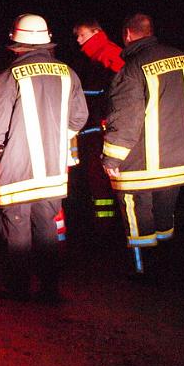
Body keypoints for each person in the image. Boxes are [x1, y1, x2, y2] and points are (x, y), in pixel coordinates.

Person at [0, 14, 88, 303]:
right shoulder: (69, 73)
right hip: (53, 170)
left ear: (16, 44)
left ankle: (18, 288)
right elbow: (78, 118)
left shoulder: (8, 76)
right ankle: (50, 289)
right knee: (47, 225)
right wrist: (53, 138)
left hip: (16, 169)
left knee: (16, 227)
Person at [101, 13, 184, 282]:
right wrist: (180, 136)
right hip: (177, 162)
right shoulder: (182, 58)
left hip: (139, 168)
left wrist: (111, 158)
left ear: (127, 35)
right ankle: (168, 268)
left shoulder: (133, 67)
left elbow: (125, 118)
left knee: (139, 221)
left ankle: (144, 273)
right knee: (165, 218)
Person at [72, 18, 125, 229]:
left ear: (96, 32)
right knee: (98, 179)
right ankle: (106, 222)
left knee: (101, 177)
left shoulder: (107, 54)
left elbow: (114, 93)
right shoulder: (93, 56)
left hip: (100, 128)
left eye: (82, 34)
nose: (78, 39)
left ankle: (107, 226)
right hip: (94, 127)